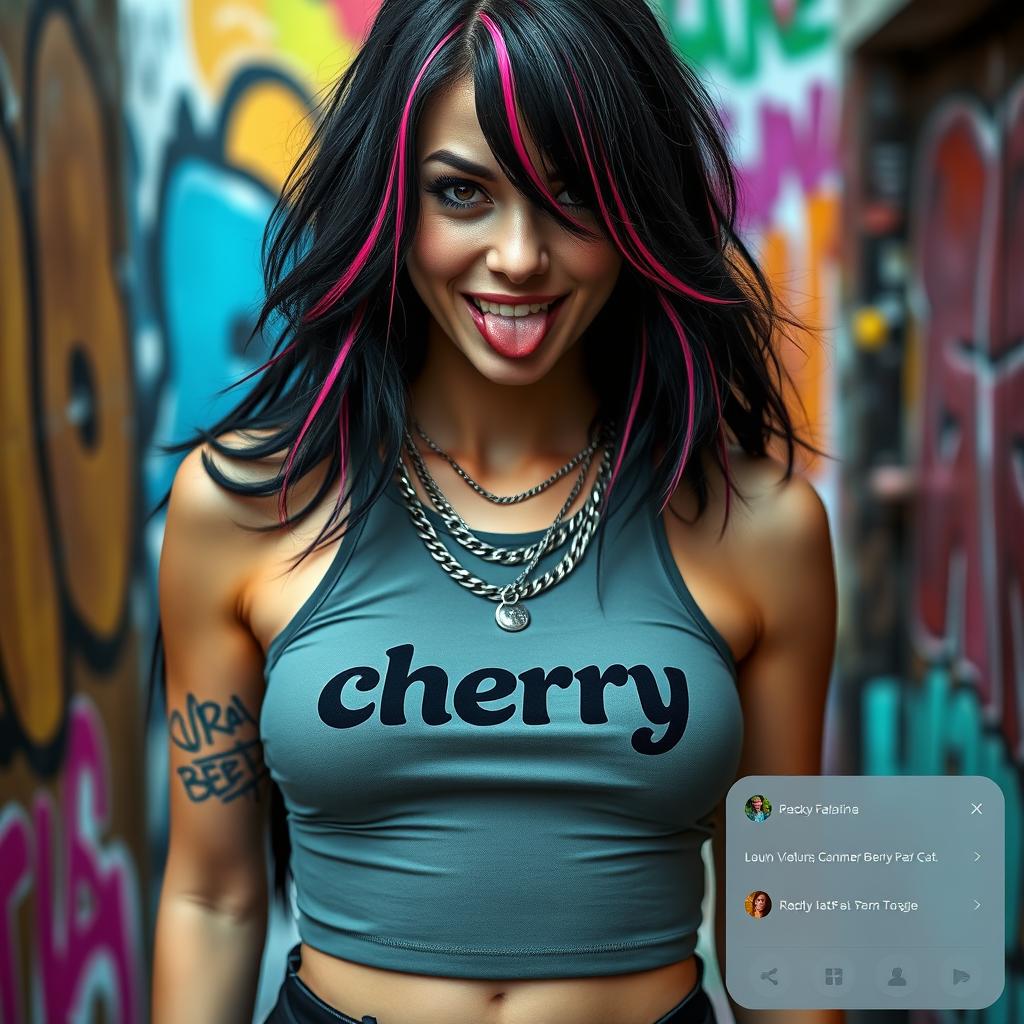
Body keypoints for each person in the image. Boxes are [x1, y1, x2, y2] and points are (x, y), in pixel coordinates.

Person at [149, 2, 841, 1023]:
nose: (518, 256)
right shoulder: (243, 505)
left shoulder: (766, 525)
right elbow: (210, 896)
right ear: (390, 200)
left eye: (572, 196)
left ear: (636, 209)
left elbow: (790, 926)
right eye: (462, 192)